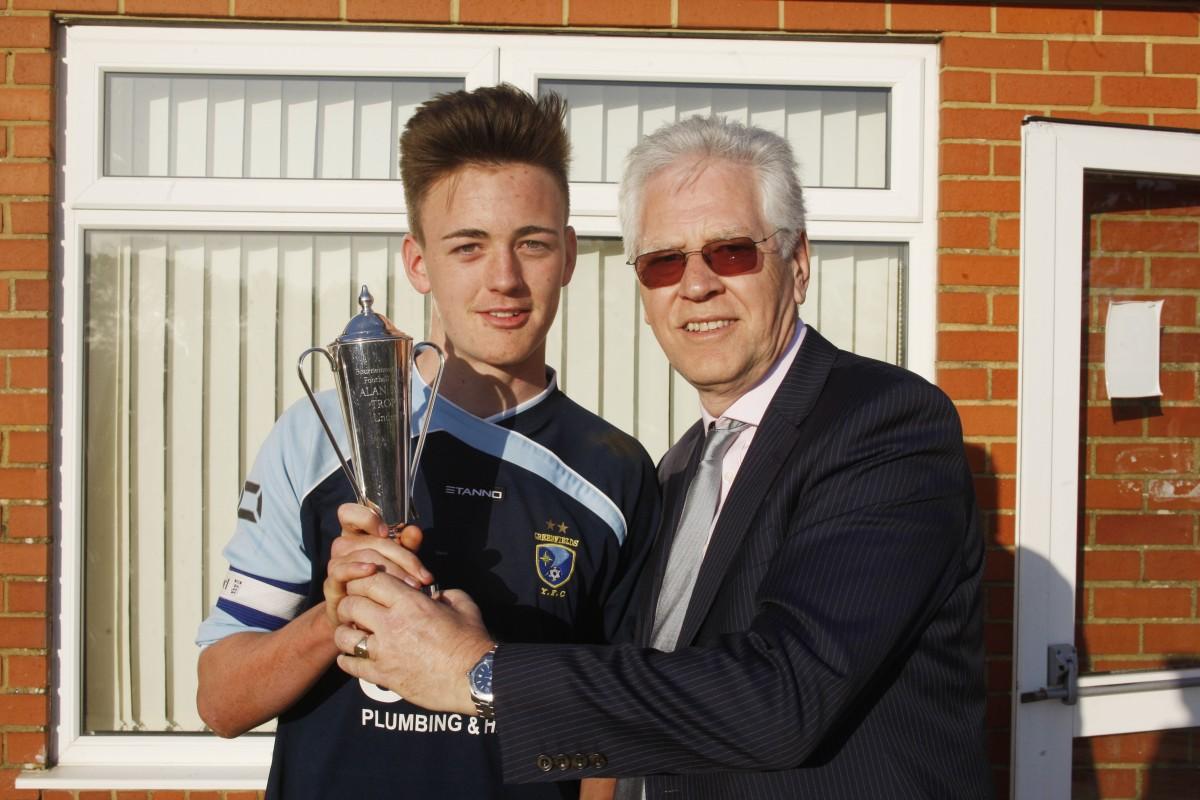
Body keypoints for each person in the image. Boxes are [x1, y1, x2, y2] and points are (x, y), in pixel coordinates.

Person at [331, 115, 993, 799]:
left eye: (732, 251)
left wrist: (479, 671)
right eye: (663, 261)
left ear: (796, 266)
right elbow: (651, 698)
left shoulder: (882, 424)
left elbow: (785, 696)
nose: (697, 285)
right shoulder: (676, 472)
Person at [194, 85, 659, 800]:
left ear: (568, 255)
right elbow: (221, 700)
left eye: (531, 244)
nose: (504, 279)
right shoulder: (320, 435)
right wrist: (334, 614)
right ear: (418, 262)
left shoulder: (615, 471)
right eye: (467, 247)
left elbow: (603, 743)